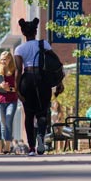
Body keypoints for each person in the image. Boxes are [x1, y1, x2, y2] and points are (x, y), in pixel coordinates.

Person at [14, 17, 56, 156]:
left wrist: (17, 89)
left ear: (24, 33)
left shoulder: (19, 49)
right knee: (42, 112)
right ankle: (41, 139)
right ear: (35, 31)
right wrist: (58, 81)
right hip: (42, 79)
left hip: (27, 79)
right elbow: (54, 63)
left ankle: (31, 147)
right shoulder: (44, 44)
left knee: (29, 115)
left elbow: (19, 70)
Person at [0, 51, 18, 154]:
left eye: (5, 59)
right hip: (0, 101)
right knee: (3, 123)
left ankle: (7, 146)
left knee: (9, 120)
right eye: (1, 59)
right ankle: (6, 145)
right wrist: (0, 86)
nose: (3, 61)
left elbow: (18, 88)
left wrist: (9, 89)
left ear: (10, 59)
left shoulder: (14, 71)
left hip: (12, 100)